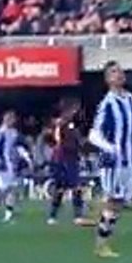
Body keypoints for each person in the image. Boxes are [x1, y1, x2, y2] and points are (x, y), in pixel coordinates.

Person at [88, 60, 132, 258]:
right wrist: (111, 148)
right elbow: (93, 135)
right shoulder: (107, 104)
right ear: (108, 79)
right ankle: (101, 245)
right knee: (113, 208)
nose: (119, 74)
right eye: (114, 72)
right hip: (112, 164)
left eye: (121, 71)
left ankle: (106, 205)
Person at [47, 97, 93, 227]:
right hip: (65, 158)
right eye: (76, 108)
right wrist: (82, 145)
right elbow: (67, 141)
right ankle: (77, 216)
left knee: (60, 188)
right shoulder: (65, 124)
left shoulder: (62, 123)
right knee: (74, 186)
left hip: (61, 158)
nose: (77, 111)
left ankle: (53, 216)